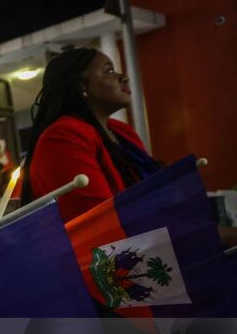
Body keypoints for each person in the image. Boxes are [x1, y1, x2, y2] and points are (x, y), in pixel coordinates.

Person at [21, 47, 160, 222]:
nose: (124, 77)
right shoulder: (62, 138)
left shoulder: (122, 131)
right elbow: (98, 220)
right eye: (109, 70)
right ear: (81, 85)